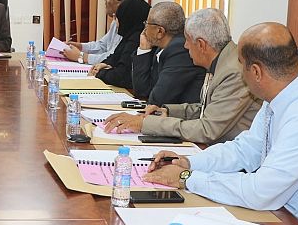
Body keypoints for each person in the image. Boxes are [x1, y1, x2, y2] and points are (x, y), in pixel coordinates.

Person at [144, 22, 298, 225]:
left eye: (242, 65)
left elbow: (261, 192)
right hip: (278, 213)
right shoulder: (282, 93)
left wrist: (186, 178)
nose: (241, 73)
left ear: (257, 72)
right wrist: (188, 163)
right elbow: (246, 149)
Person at [105, 8, 259, 144]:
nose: (185, 46)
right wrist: (168, 111)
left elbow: (208, 129)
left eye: (187, 40)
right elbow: (207, 109)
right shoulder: (223, 60)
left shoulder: (234, 72)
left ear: (201, 45)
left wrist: (145, 124)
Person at [130, 1, 205, 106]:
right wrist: (144, 50)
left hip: (185, 114)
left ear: (160, 31)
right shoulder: (163, 47)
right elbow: (143, 90)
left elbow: (158, 100)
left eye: (147, 24)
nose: (145, 29)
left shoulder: (180, 50)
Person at [61, 0, 138, 64]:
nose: (105, 0)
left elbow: (113, 57)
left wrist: (81, 56)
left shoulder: (133, 28)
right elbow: (102, 46)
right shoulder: (115, 22)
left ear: (122, 3)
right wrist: (80, 47)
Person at [89, 0, 150, 90]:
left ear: (126, 18)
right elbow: (115, 56)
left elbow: (121, 76)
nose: (115, 22)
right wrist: (103, 64)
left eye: (117, 17)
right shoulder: (129, 36)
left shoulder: (137, 39)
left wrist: (99, 73)